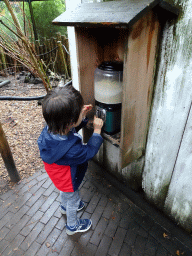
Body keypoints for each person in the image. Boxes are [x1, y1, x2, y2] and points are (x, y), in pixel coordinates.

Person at [37, 85, 104, 235]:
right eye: (80, 111)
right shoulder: (71, 150)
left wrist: (80, 116)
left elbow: (69, 128)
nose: (82, 110)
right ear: (70, 121)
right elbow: (89, 152)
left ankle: (63, 207)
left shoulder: (51, 128)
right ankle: (72, 226)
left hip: (58, 175)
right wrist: (97, 131)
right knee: (73, 199)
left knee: (65, 193)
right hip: (67, 178)